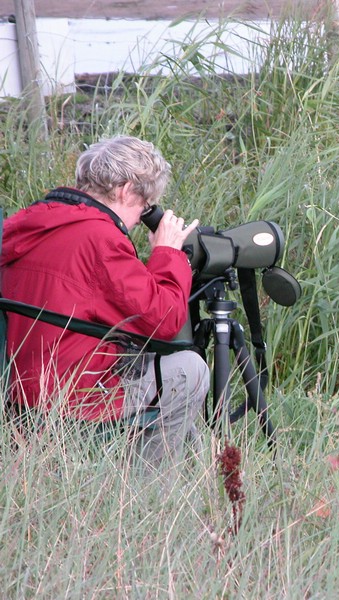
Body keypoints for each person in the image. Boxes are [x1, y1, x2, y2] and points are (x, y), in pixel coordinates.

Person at [1, 135, 209, 468]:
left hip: (15, 390)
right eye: (143, 209)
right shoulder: (100, 239)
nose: (137, 220)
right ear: (127, 190)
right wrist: (168, 253)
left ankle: (196, 471)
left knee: (146, 361)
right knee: (189, 370)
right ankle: (150, 494)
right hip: (70, 397)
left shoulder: (24, 223)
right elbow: (165, 321)